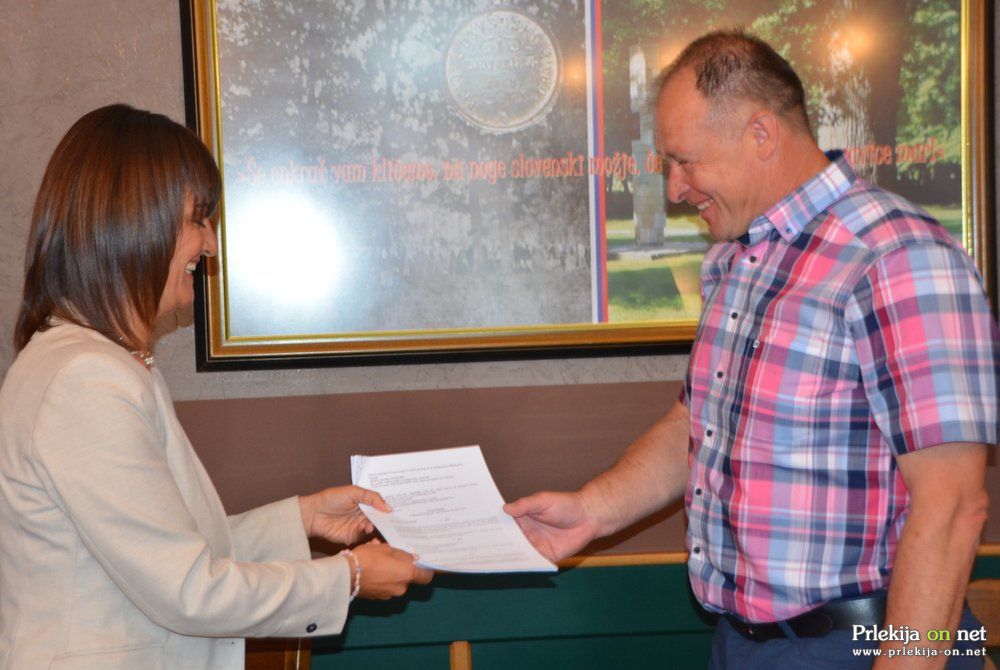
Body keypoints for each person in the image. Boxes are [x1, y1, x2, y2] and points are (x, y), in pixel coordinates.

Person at [506, 29, 998, 669]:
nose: (675, 187)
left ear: (761, 135)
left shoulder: (899, 257)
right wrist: (591, 511)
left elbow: (953, 504)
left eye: (685, 161)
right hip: (742, 643)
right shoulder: (733, 260)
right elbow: (698, 424)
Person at [0, 104, 433, 670]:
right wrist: (347, 577)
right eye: (198, 220)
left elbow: (166, 549)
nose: (209, 245)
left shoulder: (101, 364)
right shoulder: (85, 380)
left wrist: (302, 518)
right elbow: (188, 589)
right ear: (133, 222)